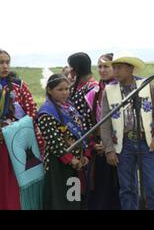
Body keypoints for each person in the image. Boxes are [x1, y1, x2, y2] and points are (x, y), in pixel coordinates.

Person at [100, 52, 154, 210]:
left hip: (146, 141)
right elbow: (105, 122)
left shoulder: (146, 85)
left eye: (119, 68)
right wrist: (109, 148)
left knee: (152, 185)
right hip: (123, 144)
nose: (115, 71)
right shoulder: (109, 91)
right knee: (127, 188)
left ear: (130, 69)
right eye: (114, 68)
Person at [37, 73, 91, 209]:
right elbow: (54, 142)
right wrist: (71, 160)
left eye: (67, 89)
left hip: (77, 162)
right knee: (60, 200)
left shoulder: (69, 107)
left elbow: (83, 132)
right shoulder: (46, 113)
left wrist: (86, 155)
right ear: (49, 90)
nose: (65, 92)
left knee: (73, 199)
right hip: (58, 163)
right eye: (60, 90)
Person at [0, 49, 44, 210]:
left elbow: (32, 110)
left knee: (15, 181)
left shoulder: (18, 85)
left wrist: (14, 128)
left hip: (15, 141)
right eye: (1, 63)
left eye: (7, 62)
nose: (5, 66)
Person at [84, 53, 121, 210]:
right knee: (102, 188)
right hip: (100, 146)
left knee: (121, 188)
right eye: (99, 66)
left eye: (106, 66)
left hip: (121, 145)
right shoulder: (93, 93)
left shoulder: (123, 90)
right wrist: (93, 144)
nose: (102, 69)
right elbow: (89, 123)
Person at [67, 52, 98, 132]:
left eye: (70, 67)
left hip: (88, 135)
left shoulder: (93, 89)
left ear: (74, 69)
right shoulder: (73, 86)